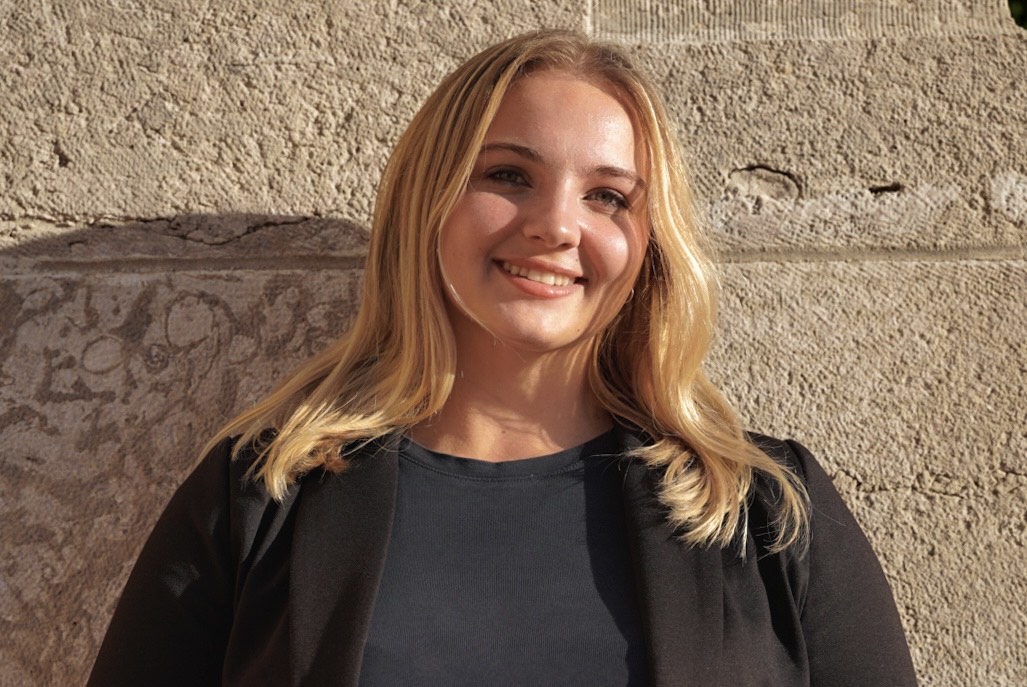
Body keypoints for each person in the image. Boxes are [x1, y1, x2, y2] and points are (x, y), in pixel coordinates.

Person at [88, 29, 917, 686]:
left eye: (607, 196)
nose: (556, 224)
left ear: (649, 244)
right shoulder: (260, 498)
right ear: (430, 201)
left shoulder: (765, 510)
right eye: (509, 175)